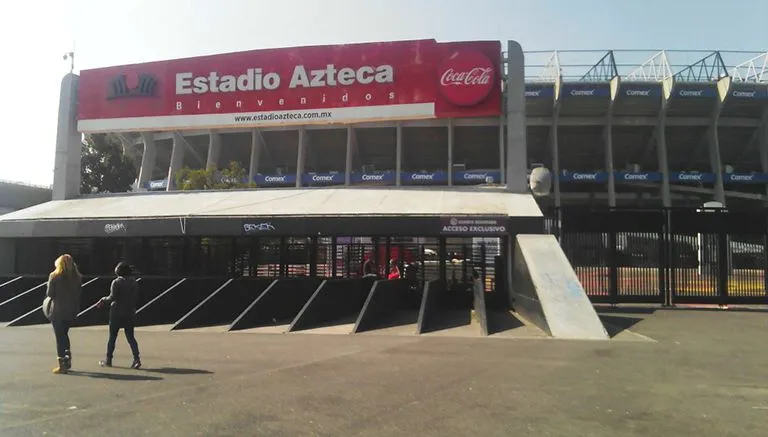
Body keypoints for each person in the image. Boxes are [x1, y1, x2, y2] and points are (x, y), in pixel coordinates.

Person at [97, 262, 141, 369]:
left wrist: (103, 300)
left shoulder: (116, 282)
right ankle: (136, 359)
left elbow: (112, 297)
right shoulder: (134, 283)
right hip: (129, 311)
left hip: (116, 312)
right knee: (130, 337)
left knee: (112, 337)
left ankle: (108, 359)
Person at [45, 254, 83, 374]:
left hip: (57, 311)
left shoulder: (54, 276)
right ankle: (67, 357)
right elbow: (78, 293)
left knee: (59, 337)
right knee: (64, 335)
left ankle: (62, 364)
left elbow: (50, 294)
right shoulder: (77, 277)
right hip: (71, 311)